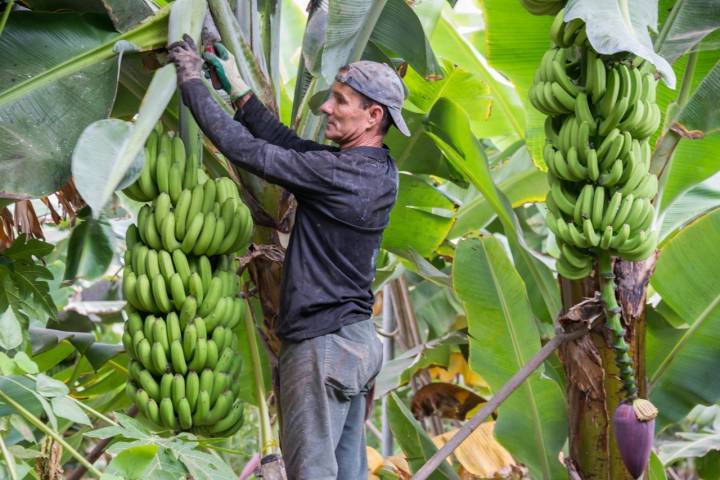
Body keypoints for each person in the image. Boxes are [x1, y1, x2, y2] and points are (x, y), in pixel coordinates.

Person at [168, 34, 410, 479]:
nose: (325, 108)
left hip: (323, 348)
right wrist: (238, 90)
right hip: (356, 343)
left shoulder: (342, 175)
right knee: (346, 473)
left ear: (373, 115)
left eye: (340, 101)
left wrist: (191, 81)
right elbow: (289, 145)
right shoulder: (374, 168)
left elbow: (249, 152)